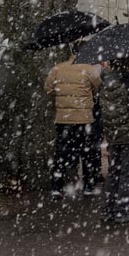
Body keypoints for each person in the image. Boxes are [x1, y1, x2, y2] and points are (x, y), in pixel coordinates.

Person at [45, 46, 102, 198]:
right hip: (85, 119)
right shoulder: (89, 69)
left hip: (64, 119)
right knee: (87, 154)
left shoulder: (57, 69)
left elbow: (48, 88)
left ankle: (57, 187)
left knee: (61, 154)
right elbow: (98, 87)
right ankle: (88, 186)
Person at [100, 58, 129, 223]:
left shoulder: (105, 83)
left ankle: (108, 209)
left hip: (113, 134)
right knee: (127, 173)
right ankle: (121, 211)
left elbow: (102, 108)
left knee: (114, 172)